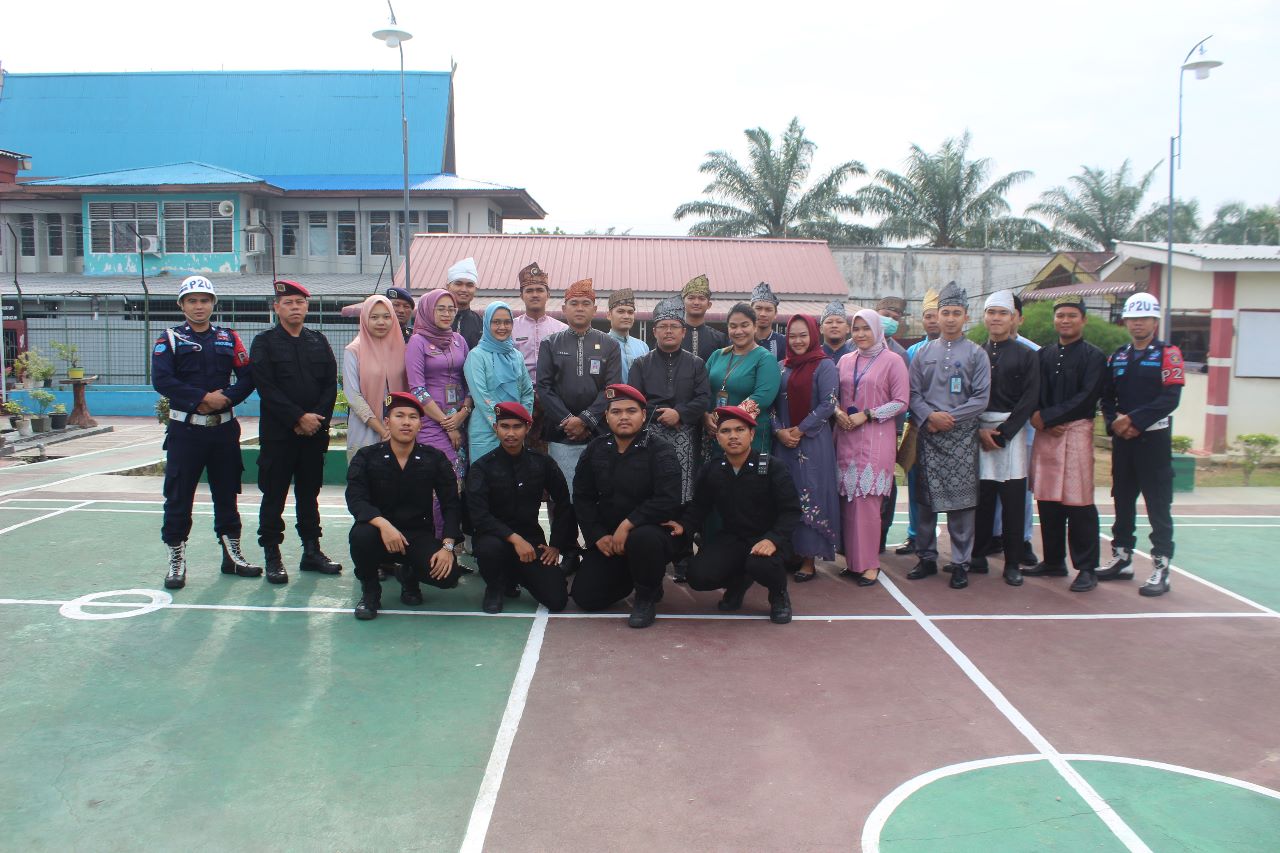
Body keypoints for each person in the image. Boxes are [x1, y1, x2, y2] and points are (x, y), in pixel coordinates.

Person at [152, 275, 259, 590]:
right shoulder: (170, 339)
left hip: (223, 430)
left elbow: (248, 376)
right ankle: (176, 561)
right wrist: (201, 398)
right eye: (192, 301)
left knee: (227, 493)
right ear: (182, 305)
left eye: (204, 300)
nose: (199, 306)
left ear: (213, 304)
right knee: (178, 495)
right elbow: (162, 380)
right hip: (186, 432)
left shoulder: (229, 337)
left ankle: (232, 556)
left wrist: (226, 399)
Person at [670, 405, 801, 624]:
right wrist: (683, 526)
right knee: (698, 576)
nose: (733, 436)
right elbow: (699, 507)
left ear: (752, 434)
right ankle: (738, 583)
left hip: (768, 538)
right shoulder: (713, 469)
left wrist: (773, 539)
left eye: (740, 430)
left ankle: (778, 594)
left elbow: (791, 511)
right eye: (726, 431)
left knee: (760, 564)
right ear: (717, 437)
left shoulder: (772, 467)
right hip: (733, 537)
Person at [250, 279, 342, 583]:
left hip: (314, 434)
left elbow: (330, 384)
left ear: (307, 306)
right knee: (274, 494)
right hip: (279, 435)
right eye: (288, 303)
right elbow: (266, 387)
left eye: (299, 302)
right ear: (277, 307)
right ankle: (272, 555)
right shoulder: (264, 343)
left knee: (309, 494)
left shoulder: (318, 340)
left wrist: (316, 420)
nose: (294, 308)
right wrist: (297, 418)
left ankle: (311, 550)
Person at [570, 384, 682, 628]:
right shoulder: (596, 448)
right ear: (606, 416)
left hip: (649, 534)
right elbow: (582, 496)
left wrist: (628, 524)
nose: (623, 417)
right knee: (586, 597)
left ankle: (646, 595)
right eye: (616, 411)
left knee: (644, 538)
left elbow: (668, 499)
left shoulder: (660, 449)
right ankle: (636, 574)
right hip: (610, 538)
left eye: (631, 411)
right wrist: (596, 535)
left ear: (643, 415)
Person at [346, 392, 464, 619]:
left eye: (413, 417)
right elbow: (356, 498)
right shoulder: (367, 457)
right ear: (387, 422)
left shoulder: (434, 458)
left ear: (420, 425)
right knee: (361, 535)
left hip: (417, 535)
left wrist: (448, 546)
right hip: (379, 533)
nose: (406, 422)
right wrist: (384, 525)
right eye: (399, 416)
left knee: (448, 577)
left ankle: (409, 575)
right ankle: (370, 591)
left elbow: (451, 504)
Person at [1097, 293, 1184, 596]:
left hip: (1153, 440)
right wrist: (1114, 422)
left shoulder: (1168, 354)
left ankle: (1161, 567)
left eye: (1144, 319)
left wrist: (1134, 420)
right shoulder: (1118, 356)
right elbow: (1107, 396)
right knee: (1122, 498)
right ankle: (1122, 558)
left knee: (1157, 503)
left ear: (1155, 321)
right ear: (1125, 321)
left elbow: (1170, 398)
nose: (1137, 324)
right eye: (1133, 319)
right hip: (1124, 441)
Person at [906, 282, 991, 589]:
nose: (951, 318)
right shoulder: (923, 353)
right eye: (946, 313)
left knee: (961, 505)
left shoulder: (977, 354)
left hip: (962, 438)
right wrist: (930, 416)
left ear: (966, 316)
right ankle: (926, 557)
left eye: (956, 313)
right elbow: (912, 393)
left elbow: (981, 398)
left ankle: (960, 563)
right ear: (937, 316)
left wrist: (949, 418)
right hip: (929, 434)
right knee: (926, 502)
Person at [1025, 295, 1107, 592]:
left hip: (1075, 432)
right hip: (1046, 433)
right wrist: (1038, 415)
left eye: (1072, 315)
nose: (1065, 320)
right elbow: (1033, 389)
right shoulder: (1043, 354)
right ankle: (1053, 560)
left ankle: (1086, 568)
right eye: (1060, 315)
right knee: (1047, 500)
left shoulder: (1094, 356)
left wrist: (1048, 417)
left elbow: (1087, 396)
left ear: (1083, 320)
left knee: (1078, 501)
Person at [629, 296, 710, 582]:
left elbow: (703, 398)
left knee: (684, 497)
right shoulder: (640, 364)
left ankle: (683, 554)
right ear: (654, 331)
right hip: (650, 436)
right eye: (663, 326)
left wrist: (680, 414)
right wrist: (660, 414)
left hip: (685, 437)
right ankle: (653, 552)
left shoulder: (697, 364)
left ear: (683, 331)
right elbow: (635, 400)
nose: (668, 331)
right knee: (652, 493)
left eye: (674, 326)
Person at [466, 402, 575, 614]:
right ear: (496, 428)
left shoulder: (542, 463)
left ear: (527, 428)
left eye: (517, 427)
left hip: (531, 540)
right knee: (488, 548)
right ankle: (495, 587)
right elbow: (479, 515)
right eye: (504, 426)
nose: (510, 433)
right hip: (494, 538)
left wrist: (556, 545)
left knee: (557, 600)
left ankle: (516, 575)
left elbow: (563, 501)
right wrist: (515, 539)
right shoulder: (482, 467)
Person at [833, 309, 909, 586]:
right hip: (845, 436)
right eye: (856, 329)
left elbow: (901, 402)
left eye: (866, 328)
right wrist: (837, 412)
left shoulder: (893, 361)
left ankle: (869, 565)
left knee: (867, 504)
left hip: (876, 438)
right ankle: (854, 562)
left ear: (878, 330)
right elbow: (832, 395)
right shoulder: (844, 360)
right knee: (848, 503)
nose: (861, 334)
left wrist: (868, 414)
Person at [970, 290, 1040, 587]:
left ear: (1014, 319)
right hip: (978, 431)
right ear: (984, 317)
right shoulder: (976, 354)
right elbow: (967, 396)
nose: (996, 318)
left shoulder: (1027, 355)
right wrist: (978, 430)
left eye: (1002, 313)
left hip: (1012, 435)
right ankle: (977, 556)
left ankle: (1012, 563)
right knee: (981, 500)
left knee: (1013, 502)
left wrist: (1004, 434)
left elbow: (1030, 398)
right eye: (991, 312)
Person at [536, 277, 622, 496]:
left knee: (598, 495)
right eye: (574, 303)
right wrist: (568, 421)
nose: (580, 308)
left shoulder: (610, 345)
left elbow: (611, 389)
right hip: (561, 432)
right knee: (562, 496)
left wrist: (585, 420)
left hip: (598, 431)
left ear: (595, 310)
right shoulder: (550, 343)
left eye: (586, 303)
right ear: (564, 309)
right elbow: (544, 387)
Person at [772, 314, 841, 581]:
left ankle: (808, 559)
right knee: (785, 495)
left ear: (813, 336)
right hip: (784, 443)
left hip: (812, 442)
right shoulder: (781, 367)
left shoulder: (825, 365)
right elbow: (770, 405)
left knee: (811, 494)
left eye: (803, 335)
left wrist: (800, 429)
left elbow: (828, 403)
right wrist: (779, 431)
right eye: (792, 336)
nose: (798, 341)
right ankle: (788, 552)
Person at [406, 289, 473, 533]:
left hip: (460, 420)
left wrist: (463, 413)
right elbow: (417, 388)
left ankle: (452, 540)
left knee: (458, 483)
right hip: (431, 423)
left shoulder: (459, 340)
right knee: (440, 483)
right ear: (427, 310)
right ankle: (435, 541)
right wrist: (447, 423)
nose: (447, 314)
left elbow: (469, 382)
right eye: (441, 308)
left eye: (451, 309)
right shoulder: (417, 342)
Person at [894, 288, 940, 556]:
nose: (932, 321)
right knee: (915, 485)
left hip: (951, 428)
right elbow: (907, 391)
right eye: (928, 316)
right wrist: (926, 417)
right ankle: (915, 536)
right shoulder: (912, 351)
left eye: (936, 315)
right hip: (919, 426)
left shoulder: (966, 351)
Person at [704, 303, 781, 456]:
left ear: (755, 326)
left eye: (744, 325)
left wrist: (727, 420)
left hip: (750, 435)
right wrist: (704, 415)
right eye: (733, 326)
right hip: (716, 433)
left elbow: (763, 397)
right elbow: (701, 388)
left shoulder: (765, 358)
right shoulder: (717, 355)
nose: (738, 331)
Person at [464, 301, 535, 462]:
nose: (502, 327)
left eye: (507, 322)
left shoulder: (516, 356)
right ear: (487, 324)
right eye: (496, 322)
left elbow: (527, 392)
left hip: (515, 432)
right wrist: (502, 427)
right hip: (486, 431)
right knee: (485, 475)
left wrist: (522, 423)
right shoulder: (476, 356)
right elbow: (481, 397)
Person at [341, 295, 408, 459]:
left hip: (400, 430)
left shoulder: (402, 349)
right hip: (365, 429)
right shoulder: (353, 351)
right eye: (374, 317)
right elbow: (353, 396)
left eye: (386, 317)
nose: (381, 322)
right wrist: (382, 430)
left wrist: (397, 427)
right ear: (365, 319)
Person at [513, 261, 567, 384]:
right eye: (529, 291)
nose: (535, 295)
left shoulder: (562, 330)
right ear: (521, 296)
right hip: (518, 390)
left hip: (553, 391)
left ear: (548, 295)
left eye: (539, 290)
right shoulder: (511, 328)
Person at [680, 273, 728, 361]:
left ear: (709, 305)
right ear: (682, 303)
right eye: (691, 298)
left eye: (701, 298)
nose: (696, 302)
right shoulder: (673, 336)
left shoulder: (720, 339)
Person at [605, 288, 649, 382]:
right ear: (609, 315)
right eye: (621, 311)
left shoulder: (643, 347)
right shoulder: (602, 344)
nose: (626, 316)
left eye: (630, 312)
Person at [447, 257, 483, 350]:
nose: (464, 289)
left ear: (475, 289)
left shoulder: (482, 324)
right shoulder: (435, 320)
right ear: (448, 287)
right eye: (458, 284)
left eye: (469, 285)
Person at [750, 281, 787, 361]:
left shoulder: (784, 342)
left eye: (768, 309)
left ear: (775, 314)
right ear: (750, 310)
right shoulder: (741, 339)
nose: (763, 314)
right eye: (758, 308)